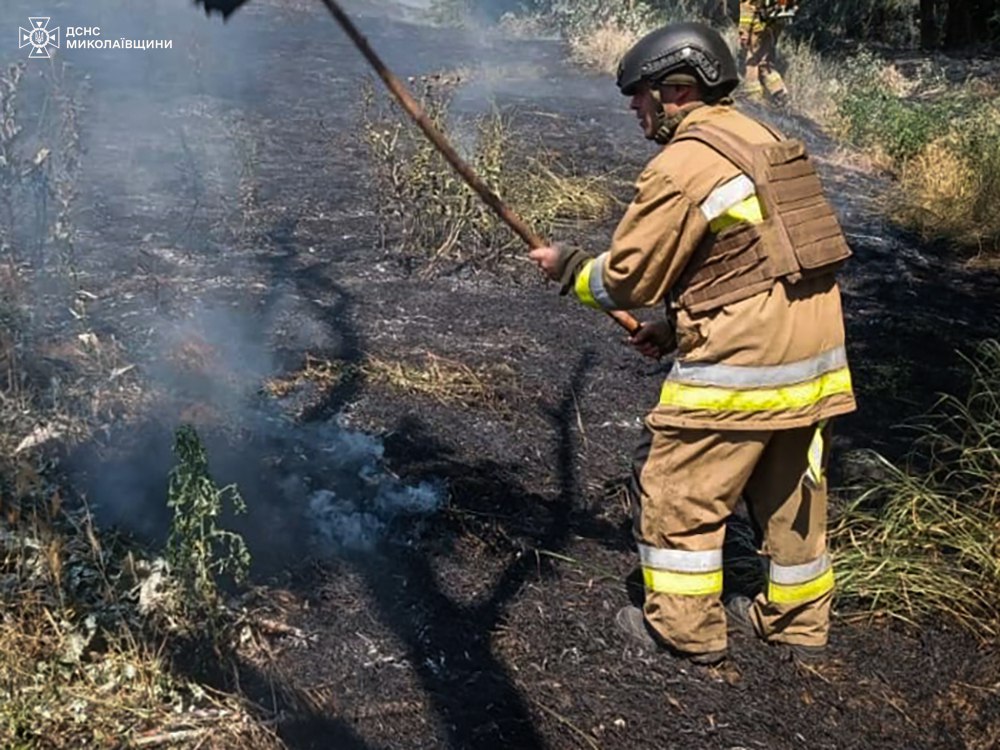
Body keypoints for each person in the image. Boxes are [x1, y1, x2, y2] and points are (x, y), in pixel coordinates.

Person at [529, 21, 855, 665]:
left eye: (641, 94)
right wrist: (676, 328)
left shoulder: (683, 165)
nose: (633, 107)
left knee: (677, 484)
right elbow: (758, 257)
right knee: (792, 492)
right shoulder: (764, 137)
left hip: (746, 360)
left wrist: (571, 269)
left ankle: (683, 630)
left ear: (677, 90)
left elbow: (629, 277)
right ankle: (797, 622)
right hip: (815, 351)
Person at [739, 0, 793, 106]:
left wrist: (744, 31)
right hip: (776, 21)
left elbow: (748, 6)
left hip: (759, 24)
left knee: (752, 62)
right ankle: (779, 92)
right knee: (765, 63)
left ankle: (753, 99)